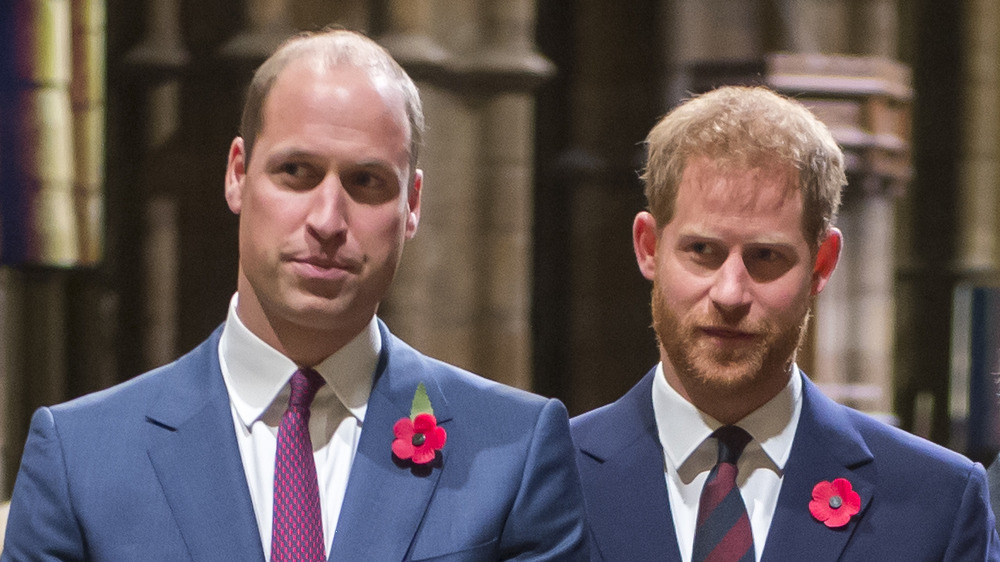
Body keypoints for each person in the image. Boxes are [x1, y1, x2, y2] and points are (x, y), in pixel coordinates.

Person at [2, 29, 588, 561]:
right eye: (296, 172)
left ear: (411, 205)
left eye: (366, 182)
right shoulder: (81, 459)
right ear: (237, 173)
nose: (328, 219)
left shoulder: (513, 451)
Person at [571, 85, 999, 561]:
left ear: (822, 264)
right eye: (701, 251)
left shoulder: (936, 500)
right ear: (648, 247)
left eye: (766, 256)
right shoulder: (550, 479)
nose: (730, 293)